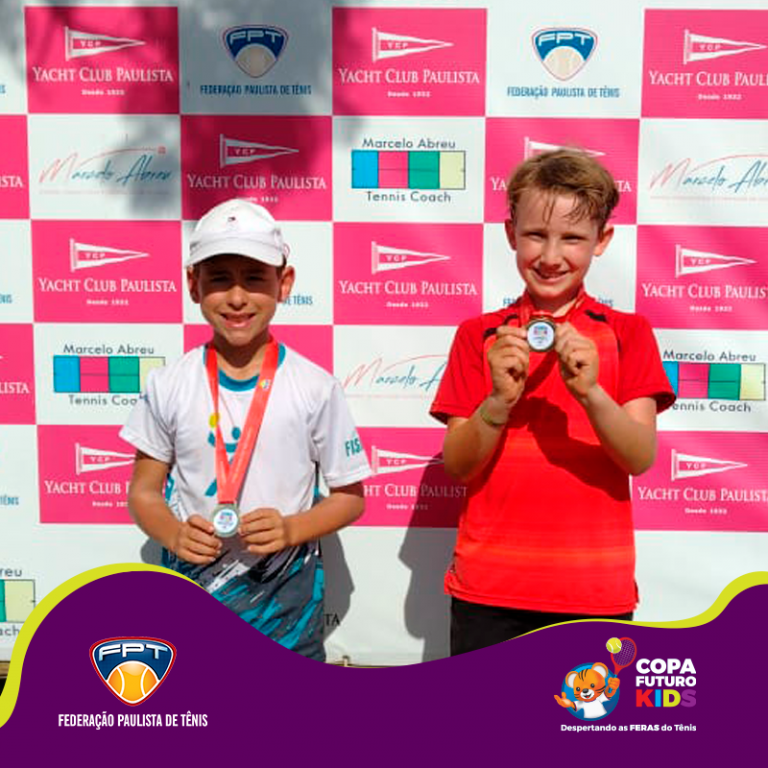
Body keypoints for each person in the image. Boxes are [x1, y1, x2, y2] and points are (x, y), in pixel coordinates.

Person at [430, 149, 675, 655]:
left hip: (592, 592)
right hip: (489, 590)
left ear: (602, 240)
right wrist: (498, 402)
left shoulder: (629, 333)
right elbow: (458, 464)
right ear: (510, 234)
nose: (550, 256)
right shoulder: (479, 336)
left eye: (573, 238)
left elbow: (638, 456)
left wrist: (591, 393)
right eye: (536, 235)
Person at [121, 198, 371, 661]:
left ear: (284, 283)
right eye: (219, 278)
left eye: (255, 278)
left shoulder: (315, 387)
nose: (237, 298)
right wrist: (173, 534)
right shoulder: (167, 384)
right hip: (192, 612)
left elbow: (350, 497)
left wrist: (292, 528)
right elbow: (144, 492)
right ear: (193, 285)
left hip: (287, 618)